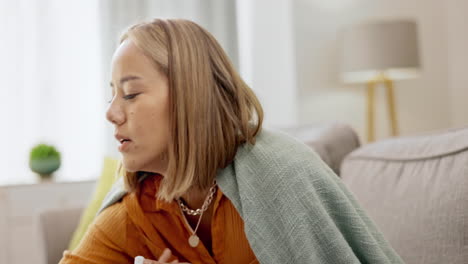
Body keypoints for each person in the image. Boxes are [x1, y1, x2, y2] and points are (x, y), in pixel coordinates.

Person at [59, 19, 403, 264]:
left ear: (189, 97)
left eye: (131, 94)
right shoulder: (138, 209)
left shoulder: (282, 177)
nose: (112, 113)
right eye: (113, 95)